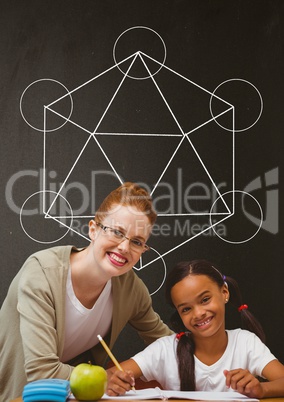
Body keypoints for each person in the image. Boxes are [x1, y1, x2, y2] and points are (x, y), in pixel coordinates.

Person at [0, 182, 172, 401]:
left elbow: (167, 344)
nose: (124, 248)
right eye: (117, 232)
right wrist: (104, 378)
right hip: (16, 396)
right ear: (93, 229)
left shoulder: (130, 288)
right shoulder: (42, 273)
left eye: (137, 242)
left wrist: (225, 360)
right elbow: (41, 372)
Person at [107, 259, 284, 398]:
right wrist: (112, 380)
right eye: (186, 309)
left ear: (224, 292)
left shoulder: (245, 342)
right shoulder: (166, 349)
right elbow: (109, 375)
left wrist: (261, 389)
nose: (198, 313)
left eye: (205, 299)